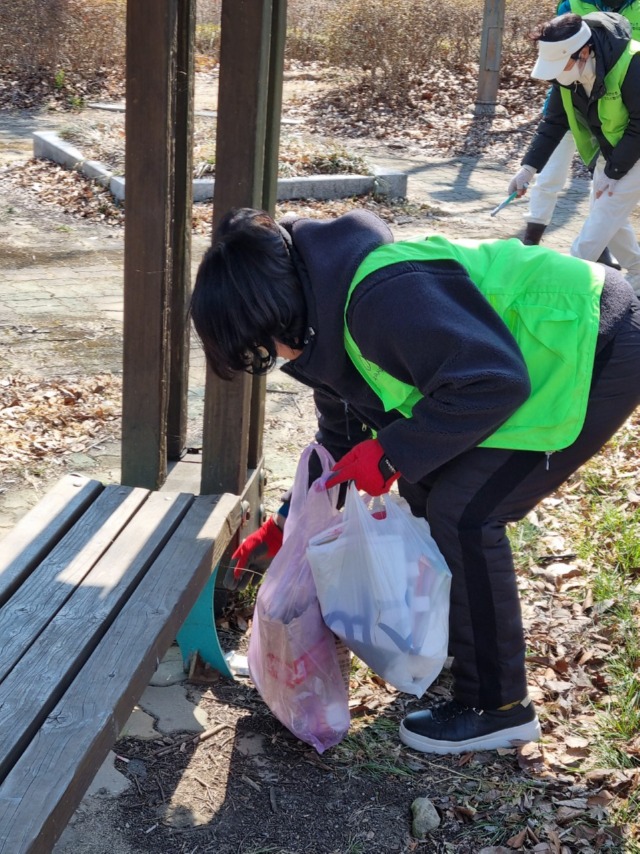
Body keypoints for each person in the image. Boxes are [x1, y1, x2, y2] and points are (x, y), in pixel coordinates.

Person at [190, 206, 640, 755]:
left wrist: (390, 454)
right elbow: (340, 438)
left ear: (276, 312)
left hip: (592, 338)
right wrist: (286, 523)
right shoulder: (318, 320)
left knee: (466, 512)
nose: (274, 357)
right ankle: (454, 645)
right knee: (424, 490)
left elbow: (493, 382)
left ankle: (498, 707)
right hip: (532, 356)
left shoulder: (379, 299)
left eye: (263, 345)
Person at [508, 12, 640, 293]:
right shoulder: (566, 77)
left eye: (560, 65)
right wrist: (528, 169)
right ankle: (639, 272)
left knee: (602, 217)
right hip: (614, 147)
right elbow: (554, 123)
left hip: (636, 145)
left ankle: (560, 287)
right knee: (607, 215)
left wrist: (614, 172)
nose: (556, 75)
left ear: (584, 52)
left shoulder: (633, 62)